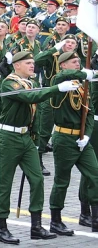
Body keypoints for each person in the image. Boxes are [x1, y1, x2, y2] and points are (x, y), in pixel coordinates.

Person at [0, 51, 79, 244]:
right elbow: (31, 97)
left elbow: (37, 112)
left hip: (26, 137)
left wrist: (36, 137)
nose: (33, 66)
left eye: (33, 63)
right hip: (8, 137)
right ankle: (1, 227)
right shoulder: (10, 82)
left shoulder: (31, 82)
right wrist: (57, 88)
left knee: (38, 179)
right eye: (28, 63)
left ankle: (36, 225)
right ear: (17, 65)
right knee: (5, 183)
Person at [48, 51, 98, 234]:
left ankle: (94, 218)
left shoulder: (81, 86)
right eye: (73, 62)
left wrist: (87, 135)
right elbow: (61, 76)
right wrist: (86, 73)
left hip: (82, 139)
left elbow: (89, 112)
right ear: (63, 65)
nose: (77, 64)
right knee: (62, 181)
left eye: (78, 61)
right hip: (64, 138)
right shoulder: (60, 82)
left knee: (95, 175)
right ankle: (55, 220)